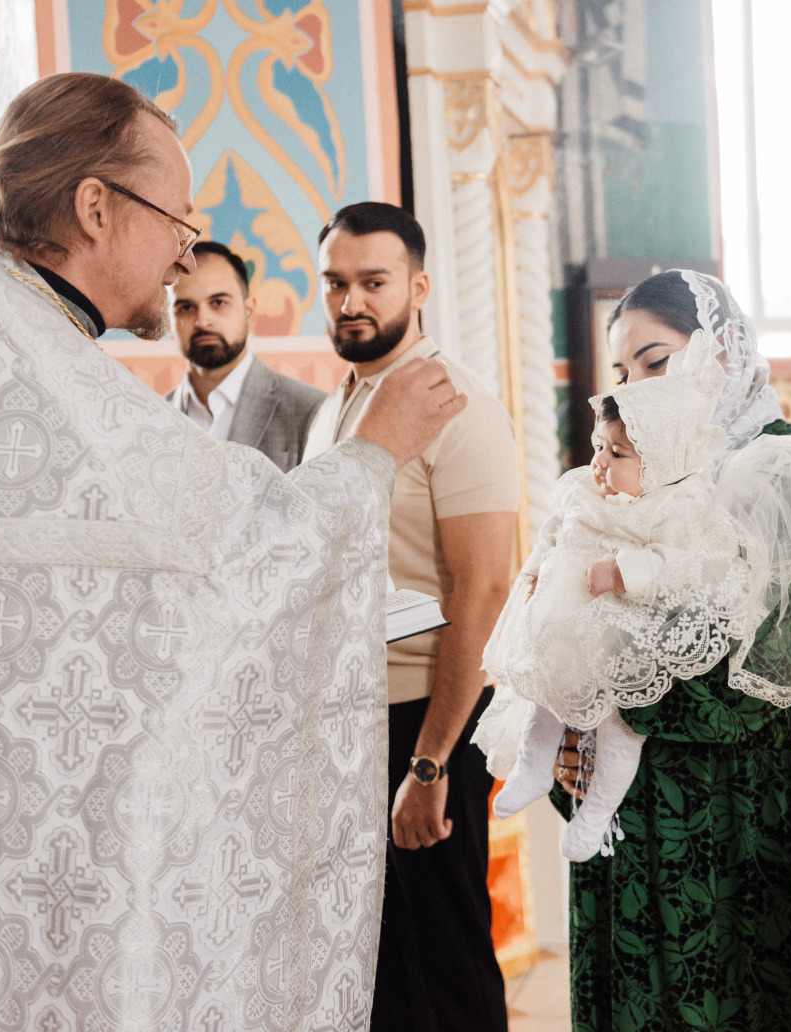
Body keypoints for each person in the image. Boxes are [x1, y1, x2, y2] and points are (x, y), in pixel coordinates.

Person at [0, 72, 465, 1030]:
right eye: (175, 213)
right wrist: (374, 454)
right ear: (94, 206)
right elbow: (245, 556)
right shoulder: (40, 377)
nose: (182, 248)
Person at [550, 269, 791, 1031]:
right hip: (640, 825)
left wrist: (608, 698)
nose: (636, 388)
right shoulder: (641, 478)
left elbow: (760, 680)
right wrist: (569, 725)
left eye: (656, 360)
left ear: (725, 348)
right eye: (622, 372)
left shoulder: (790, 471)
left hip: (755, 826)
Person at [300, 201, 518, 1031]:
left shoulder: (455, 403)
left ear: (417, 287)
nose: (351, 301)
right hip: (346, 717)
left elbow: (484, 589)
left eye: (373, 283)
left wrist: (430, 762)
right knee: (376, 965)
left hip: (425, 718)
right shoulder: (338, 411)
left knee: (446, 958)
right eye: (335, 284)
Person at [474, 330, 753, 862]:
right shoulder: (585, 488)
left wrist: (623, 572)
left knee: (621, 726)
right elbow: (552, 534)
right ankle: (532, 768)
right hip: (567, 623)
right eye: (599, 447)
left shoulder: (676, 505)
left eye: (617, 453)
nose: (600, 463)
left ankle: (597, 813)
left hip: (628, 641)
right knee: (546, 692)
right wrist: (534, 573)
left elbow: (678, 565)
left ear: (662, 460)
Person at [167, 240, 326, 471]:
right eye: (186, 308)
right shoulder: (152, 418)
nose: (203, 320)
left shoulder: (311, 411)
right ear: (169, 322)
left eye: (218, 302)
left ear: (248, 312)